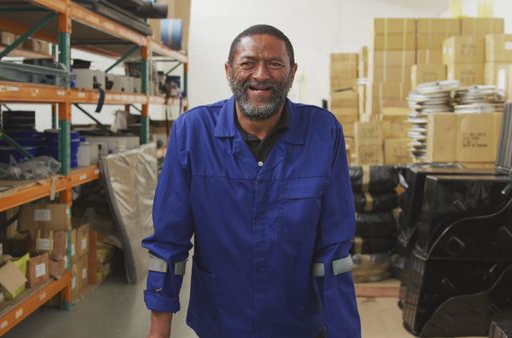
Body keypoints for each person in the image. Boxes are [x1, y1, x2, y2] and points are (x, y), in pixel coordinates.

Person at [143, 24, 361, 338]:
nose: (261, 75)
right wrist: (158, 333)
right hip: (220, 321)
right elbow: (168, 244)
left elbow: (335, 252)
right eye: (248, 63)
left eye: (275, 64)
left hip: (299, 325)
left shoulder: (323, 132)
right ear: (229, 70)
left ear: (292, 71)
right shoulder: (192, 133)